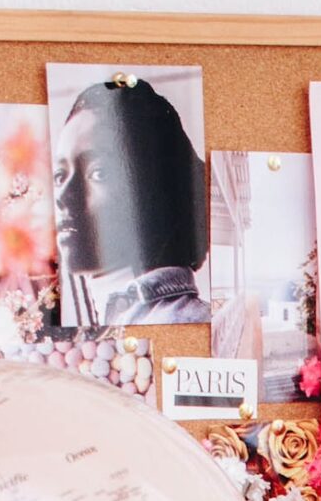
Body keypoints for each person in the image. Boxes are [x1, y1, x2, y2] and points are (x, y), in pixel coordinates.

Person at [54, 77, 209, 326]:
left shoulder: (184, 320)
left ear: (154, 189)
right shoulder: (92, 317)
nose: (62, 196)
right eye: (59, 176)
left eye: (99, 173)